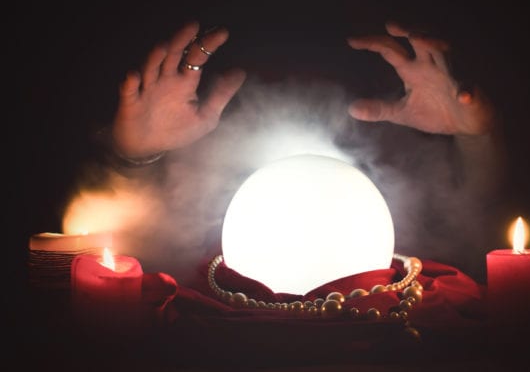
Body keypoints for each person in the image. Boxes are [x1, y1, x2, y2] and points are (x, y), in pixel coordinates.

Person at [98, 18, 507, 285]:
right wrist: (134, 157)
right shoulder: (200, 196)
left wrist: (477, 138)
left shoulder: (400, 188)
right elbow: (127, 261)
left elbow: (481, 239)